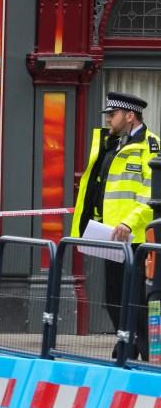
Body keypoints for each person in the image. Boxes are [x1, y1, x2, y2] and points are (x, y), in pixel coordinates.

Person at [71, 91, 159, 361]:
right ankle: (127, 347)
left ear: (130, 116)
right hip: (111, 236)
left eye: (113, 115)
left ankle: (147, 354)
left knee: (136, 299)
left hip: (137, 237)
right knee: (113, 297)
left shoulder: (151, 146)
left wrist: (128, 222)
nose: (108, 119)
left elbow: (151, 194)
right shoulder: (114, 145)